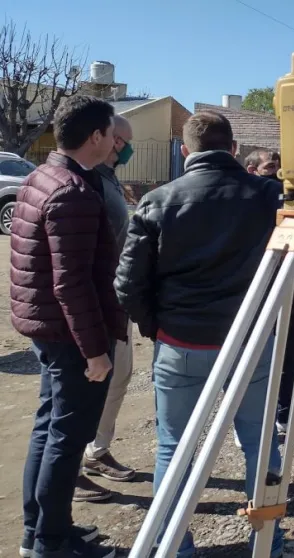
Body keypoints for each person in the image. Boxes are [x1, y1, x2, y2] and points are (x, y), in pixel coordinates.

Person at [114, 111, 294, 557]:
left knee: (174, 448)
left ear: (185, 151)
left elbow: (127, 284)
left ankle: (174, 546)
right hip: (251, 341)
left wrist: (155, 326)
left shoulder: (157, 201)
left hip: (181, 345)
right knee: (259, 441)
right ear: (233, 149)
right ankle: (269, 545)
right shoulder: (271, 196)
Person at [10, 95, 125, 558]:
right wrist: (95, 351)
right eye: (112, 135)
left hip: (48, 329)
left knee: (49, 427)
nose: (116, 143)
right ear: (95, 136)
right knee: (67, 435)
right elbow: (71, 283)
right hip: (70, 333)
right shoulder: (72, 191)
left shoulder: (44, 175)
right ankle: (51, 542)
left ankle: (39, 530)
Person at [73, 115, 138, 504]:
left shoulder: (109, 179)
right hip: (97, 300)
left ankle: (95, 451)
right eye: (125, 140)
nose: (128, 147)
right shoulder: (86, 180)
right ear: (112, 140)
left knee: (121, 376)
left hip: (116, 297)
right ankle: (71, 469)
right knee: (86, 386)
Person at [242, 148, 294, 442]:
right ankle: (251, 425)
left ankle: (284, 417)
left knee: (288, 358)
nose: (278, 174)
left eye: (280, 168)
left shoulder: (292, 200)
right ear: (252, 171)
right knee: (257, 361)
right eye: (271, 168)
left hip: (291, 293)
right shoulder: (249, 200)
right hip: (259, 293)